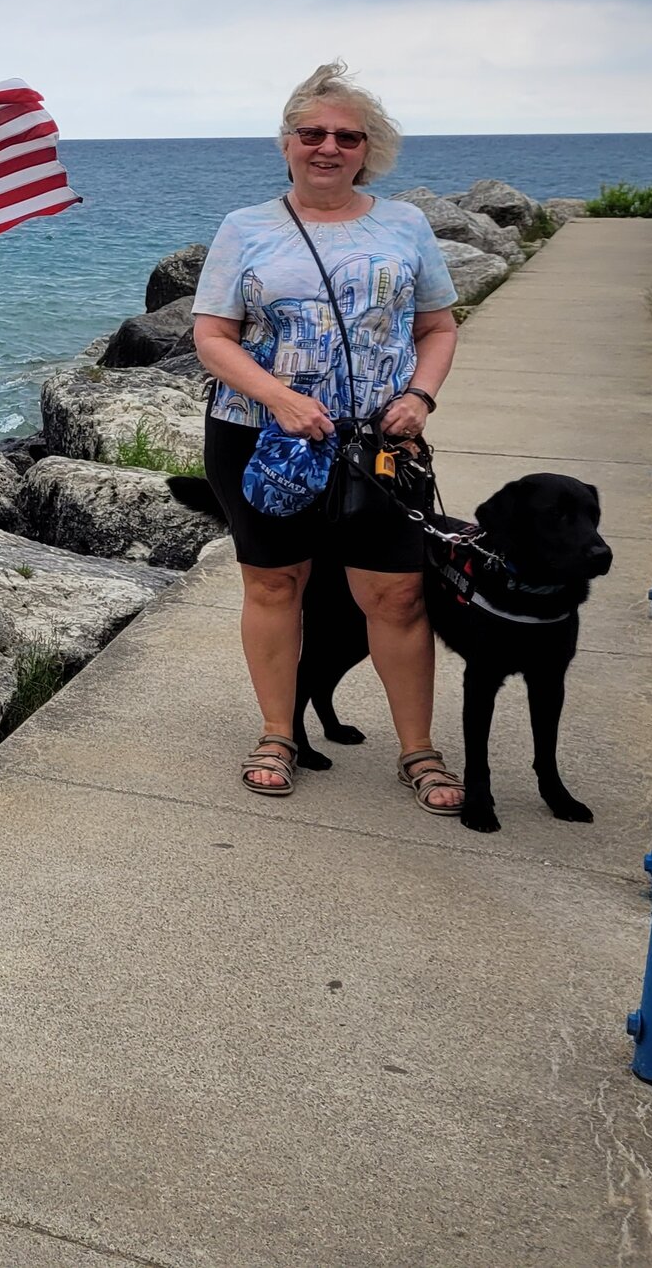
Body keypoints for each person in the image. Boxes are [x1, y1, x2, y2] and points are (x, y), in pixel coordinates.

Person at [190, 62, 464, 812]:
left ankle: (419, 749)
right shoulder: (245, 228)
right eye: (312, 132)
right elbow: (212, 336)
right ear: (286, 142)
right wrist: (279, 398)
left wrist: (420, 395)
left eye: (347, 135)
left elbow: (437, 327)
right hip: (262, 438)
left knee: (398, 594)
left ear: (368, 148)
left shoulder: (404, 224)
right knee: (275, 583)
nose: (328, 147)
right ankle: (278, 731)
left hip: (379, 444)